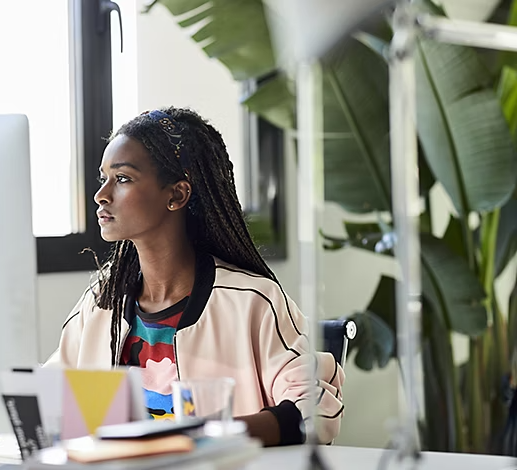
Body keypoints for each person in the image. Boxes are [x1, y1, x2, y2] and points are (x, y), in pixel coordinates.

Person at [45, 107, 344, 446]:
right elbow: (49, 397)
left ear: (176, 194)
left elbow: (317, 410)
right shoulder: (102, 301)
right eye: (104, 179)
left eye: (123, 178)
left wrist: (206, 437)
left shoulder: (253, 301)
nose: (102, 194)